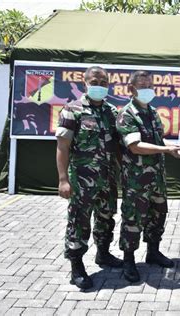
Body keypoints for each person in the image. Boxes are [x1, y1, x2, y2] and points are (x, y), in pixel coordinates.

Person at [56, 66, 122, 290]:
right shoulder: (72, 110)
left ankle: (103, 254)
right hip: (81, 181)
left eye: (104, 82)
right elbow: (62, 147)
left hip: (107, 178)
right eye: (95, 81)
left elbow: (119, 145)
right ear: (85, 83)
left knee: (106, 217)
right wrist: (63, 179)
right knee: (79, 222)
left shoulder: (112, 111)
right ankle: (76, 266)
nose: (100, 85)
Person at [116, 70, 180, 282]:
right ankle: (129, 260)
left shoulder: (152, 112)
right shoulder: (127, 114)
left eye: (149, 86)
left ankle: (153, 252)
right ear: (131, 89)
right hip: (137, 180)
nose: (147, 90)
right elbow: (135, 147)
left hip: (157, 178)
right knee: (133, 219)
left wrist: (170, 147)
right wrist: (164, 150)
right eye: (142, 86)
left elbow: (158, 140)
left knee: (158, 215)